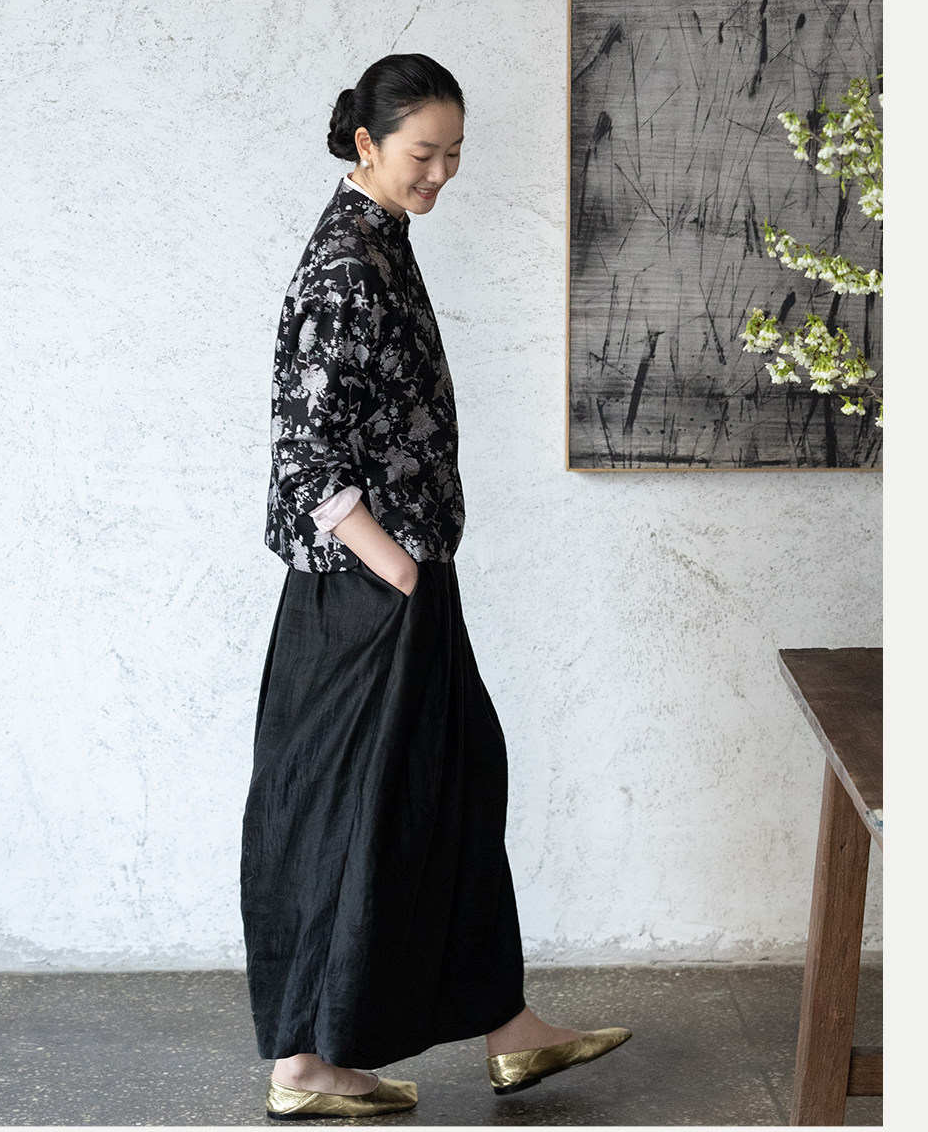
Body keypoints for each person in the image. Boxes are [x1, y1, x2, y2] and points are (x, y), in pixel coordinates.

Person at [241, 54, 631, 1121]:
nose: (441, 173)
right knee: (351, 815)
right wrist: (398, 567)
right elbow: (305, 453)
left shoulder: (380, 239)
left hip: (401, 580)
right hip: (368, 592)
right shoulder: (344, 263)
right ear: (367, 143)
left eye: (455, 154)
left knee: (450, 788)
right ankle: (308, 1063)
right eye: (424, 153)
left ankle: (508, 1029)